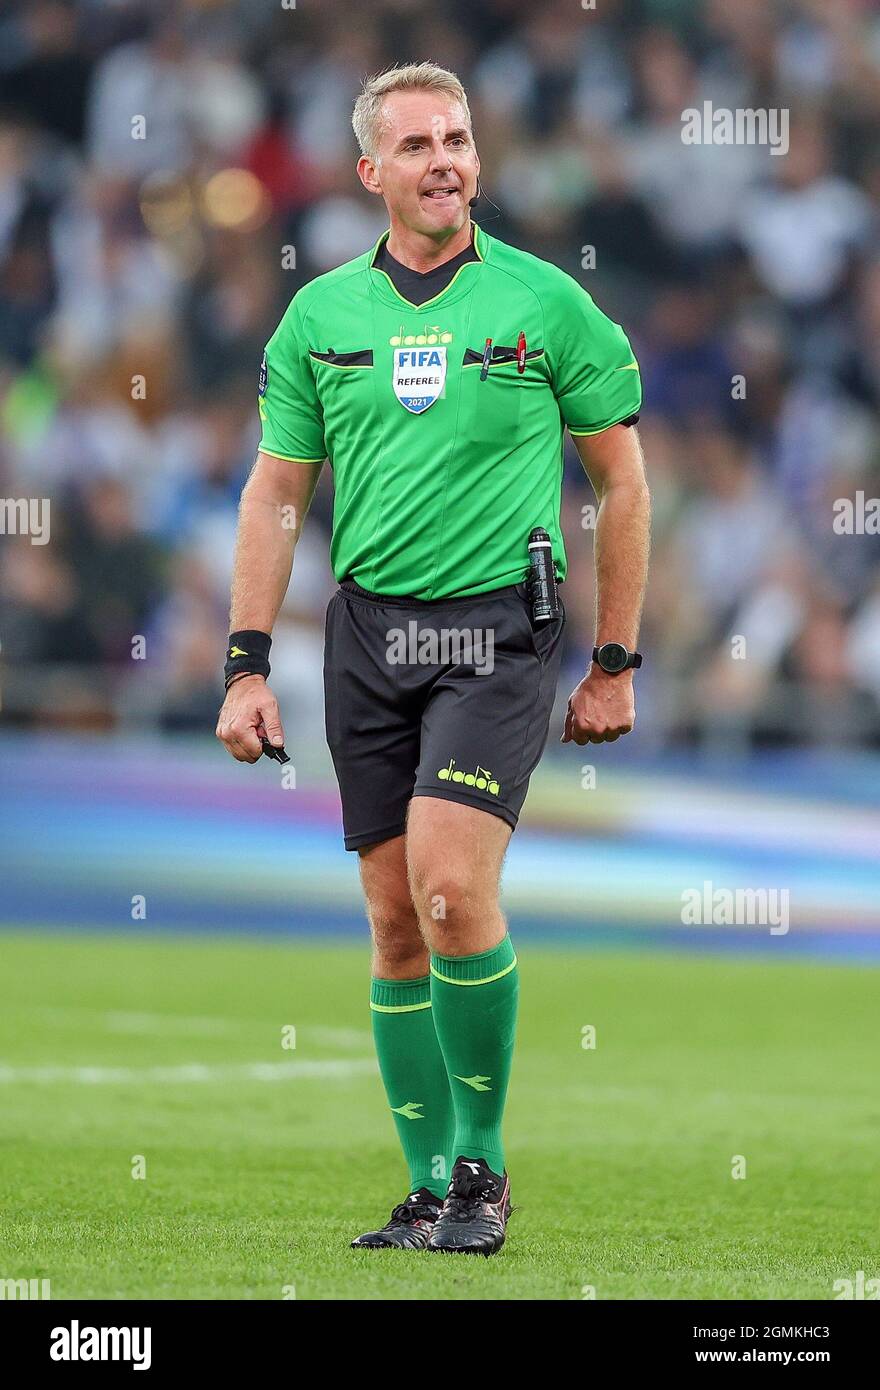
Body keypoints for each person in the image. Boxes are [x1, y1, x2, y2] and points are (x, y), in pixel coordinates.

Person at [216, 62, 650, 1257]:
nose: (444, 158)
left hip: (495, 635)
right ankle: (422, 1189)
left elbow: (620, 479)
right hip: (367, 634)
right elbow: (275, 494)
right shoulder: (320, 319)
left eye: (456, 138)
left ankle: (483, 1172)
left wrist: (613, 659)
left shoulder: (544, 302)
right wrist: (245, 664)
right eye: (415, 145)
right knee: (394, 924)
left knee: (454, 892)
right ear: (371, 174)